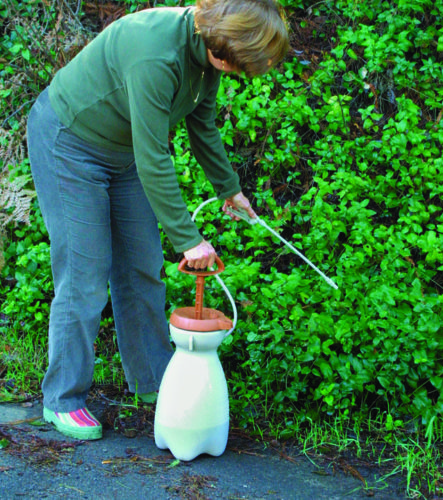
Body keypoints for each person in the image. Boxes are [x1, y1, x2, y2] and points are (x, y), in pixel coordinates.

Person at [27, 0, 289, 440]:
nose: (238, 74)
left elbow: (202, 124)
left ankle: (152, 382)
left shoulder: (207, 59)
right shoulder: (155, 52)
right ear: (223, 45)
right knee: (85, 275)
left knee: (142, 270)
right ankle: (63, 398)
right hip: (70, 143)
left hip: (124, 151)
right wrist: (189, 239)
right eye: (240, 66)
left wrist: (229, 188)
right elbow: (154, 157)